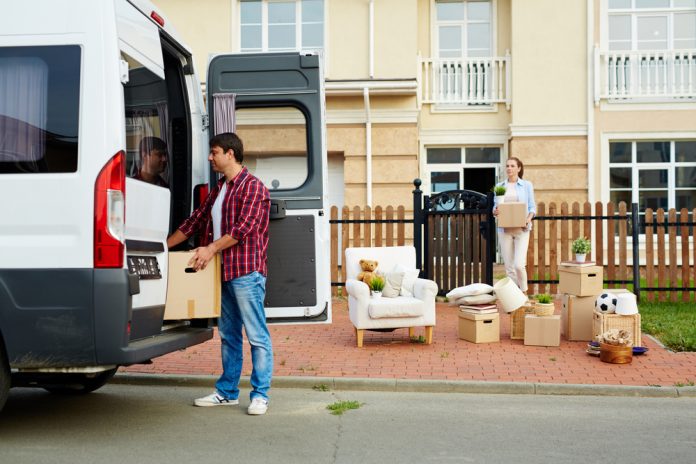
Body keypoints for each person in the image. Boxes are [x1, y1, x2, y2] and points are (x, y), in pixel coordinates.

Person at [166, 132, 272, 415]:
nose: (210, 158)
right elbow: (195, 220)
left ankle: (260, 395)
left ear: (230, 154)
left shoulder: (254, 188)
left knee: (257, 336)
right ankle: (227, 392)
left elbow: (241, 230)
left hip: (246, 272)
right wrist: (162, 248)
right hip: (222, 273)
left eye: (214, 152)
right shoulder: (220, 188)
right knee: (228, 335)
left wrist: (211, 249)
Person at [493, 157, 536, 294]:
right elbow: (495, 208)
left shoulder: (526, 185)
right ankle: (514, 297)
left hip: (522, 229)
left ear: (519, 168)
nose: (509, 168)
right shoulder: (500, 187)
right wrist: (495, 211)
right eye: (507, 166)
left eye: (512, 166)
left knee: (518, 265)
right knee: (509, 268)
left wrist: (528, 219)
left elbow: (532, 207)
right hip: (504, 229)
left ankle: (523, 292)